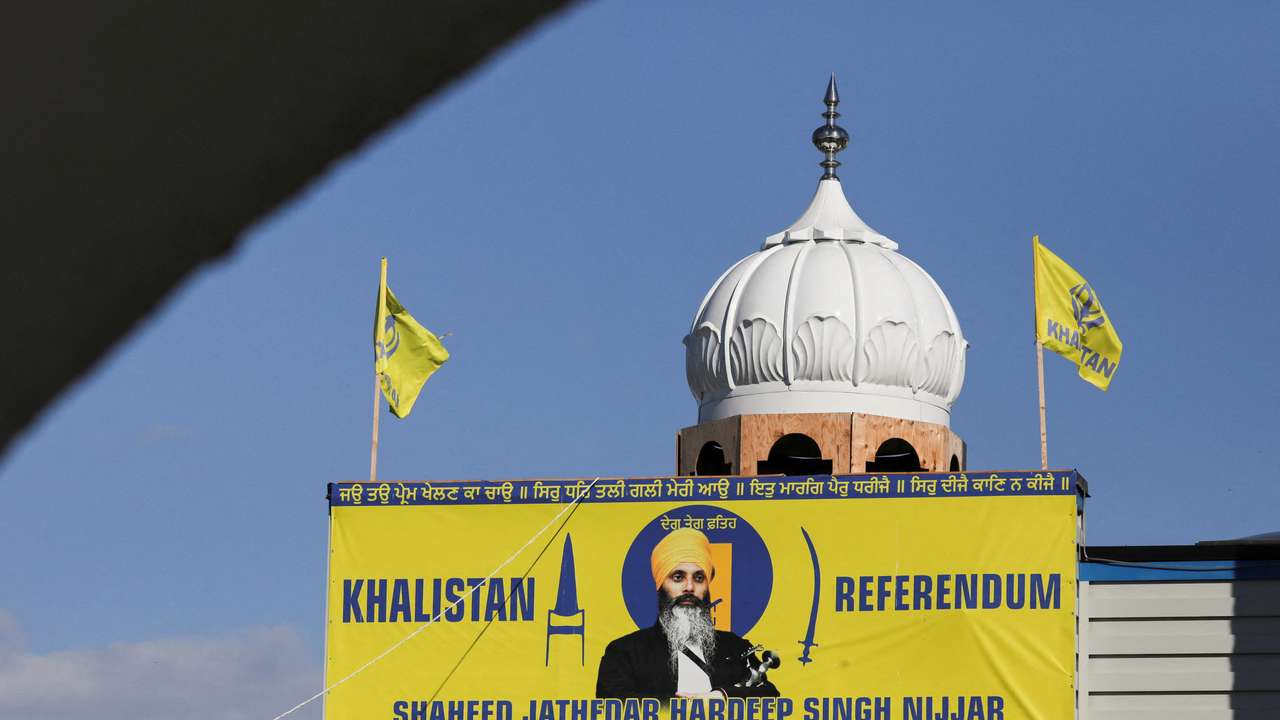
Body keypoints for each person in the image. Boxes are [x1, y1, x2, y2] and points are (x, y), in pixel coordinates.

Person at [595, 527, 780, 700]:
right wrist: (685, 710)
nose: (689, 587)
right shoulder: (625, 652)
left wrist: (721, 697)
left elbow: (770, 695)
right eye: (678, 577)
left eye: (699, 578)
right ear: (661, 585)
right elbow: (612, 705)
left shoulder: (734, 647)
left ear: (707, 587)